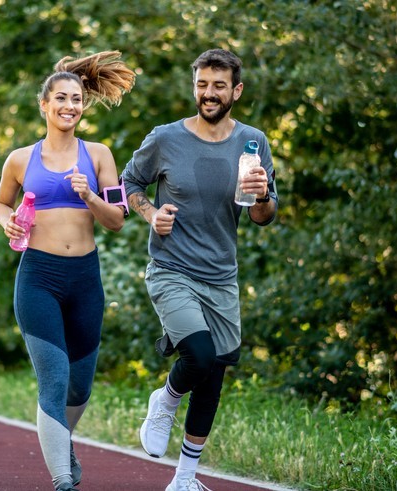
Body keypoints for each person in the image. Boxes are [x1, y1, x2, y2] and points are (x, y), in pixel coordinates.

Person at [122, 48, 278, 491]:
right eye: (202, 84)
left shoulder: (254, 143)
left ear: (237, 90)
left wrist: (263, 195)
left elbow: (264, 216)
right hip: (172, 268)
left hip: (221, 277)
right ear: (194, 86)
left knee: (213, 375)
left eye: (219, 85)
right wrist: (151, 213)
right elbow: (130, 182)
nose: (208, 94)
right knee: (200, 356)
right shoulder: (165, 138)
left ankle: (185, 478)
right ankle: (165, 399)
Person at [0, 51, 135, 491]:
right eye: (60, 98)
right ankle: (62, 480)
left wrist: (90, 196)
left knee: (79, 389)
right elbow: (0, 203)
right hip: (38, 277)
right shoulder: (20, 159)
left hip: (85, 281)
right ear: (44, 105)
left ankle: (63, 444)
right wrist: (6, 220)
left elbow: (117, 219)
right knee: (53, 380)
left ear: (83, 104)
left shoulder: (99, 155)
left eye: (76, 98)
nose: (69, 106)